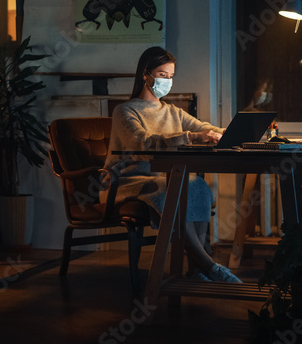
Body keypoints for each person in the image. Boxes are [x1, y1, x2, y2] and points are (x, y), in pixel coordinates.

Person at [104, 46, 243, 283]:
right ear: (145, 75)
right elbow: (143, 144)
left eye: (170, 77)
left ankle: (197, 268)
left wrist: (233, 132)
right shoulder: (124, 111)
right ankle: (209, 265)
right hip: (129, 180)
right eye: (162, 75)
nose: (167, 81)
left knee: (197, 185)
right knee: (176, 190)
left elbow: (202, 127)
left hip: (165, 178)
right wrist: (189, 137)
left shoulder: (172, 112)